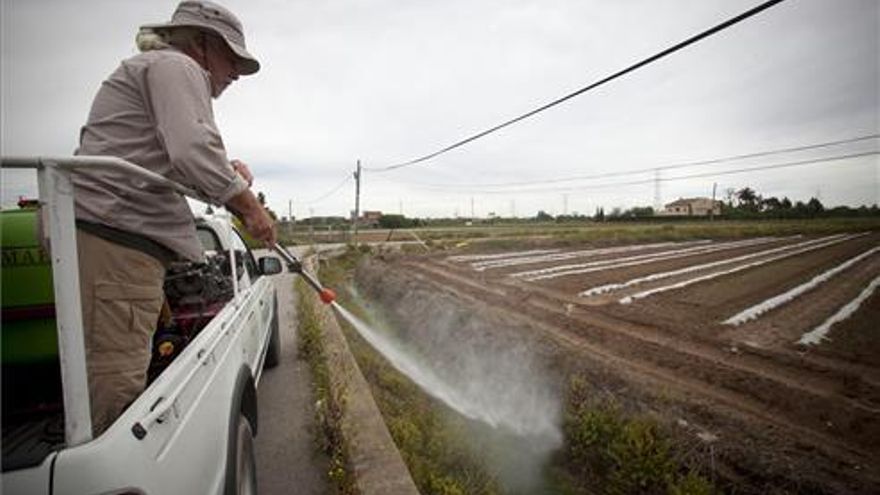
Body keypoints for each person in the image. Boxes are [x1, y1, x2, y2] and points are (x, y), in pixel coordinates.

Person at [72, 0, 275, 435]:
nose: (236, 72)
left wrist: (225, 172)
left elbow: (182, 158)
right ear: (201, 44)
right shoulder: (177, 67)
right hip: (116, 235)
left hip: (113, 231)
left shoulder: (160, 69)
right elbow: (191, 151)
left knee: (117, 362)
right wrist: (251, 208)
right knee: (117, 372)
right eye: (232, 59)